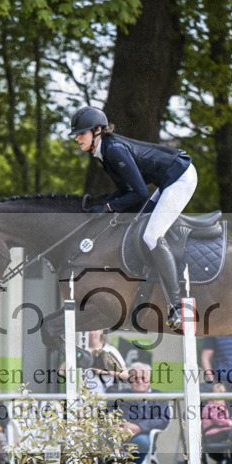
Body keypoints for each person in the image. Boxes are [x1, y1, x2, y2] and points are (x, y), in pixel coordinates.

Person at [69, 105, 197, 331]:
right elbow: (125, 190)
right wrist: (101, 204)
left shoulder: (113, 150)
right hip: (167, 181)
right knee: (138, 229)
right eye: (77, 134)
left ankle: (178, 305)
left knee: (151, 235)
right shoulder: (103, 151)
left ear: (98, 130)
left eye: (82, 133)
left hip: (180, 177)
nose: (77, 138)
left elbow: (139, 194)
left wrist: (107, 207)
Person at [111, 362, 172, 464]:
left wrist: (139, 427)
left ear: (149, 379)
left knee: (142, 442)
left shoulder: (159, 396)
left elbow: (163, 419)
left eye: (143, 378)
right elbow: (120, 415)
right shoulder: (120, 395)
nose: (139, 381)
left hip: (144, 437)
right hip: (120, 436)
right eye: (135, 378)